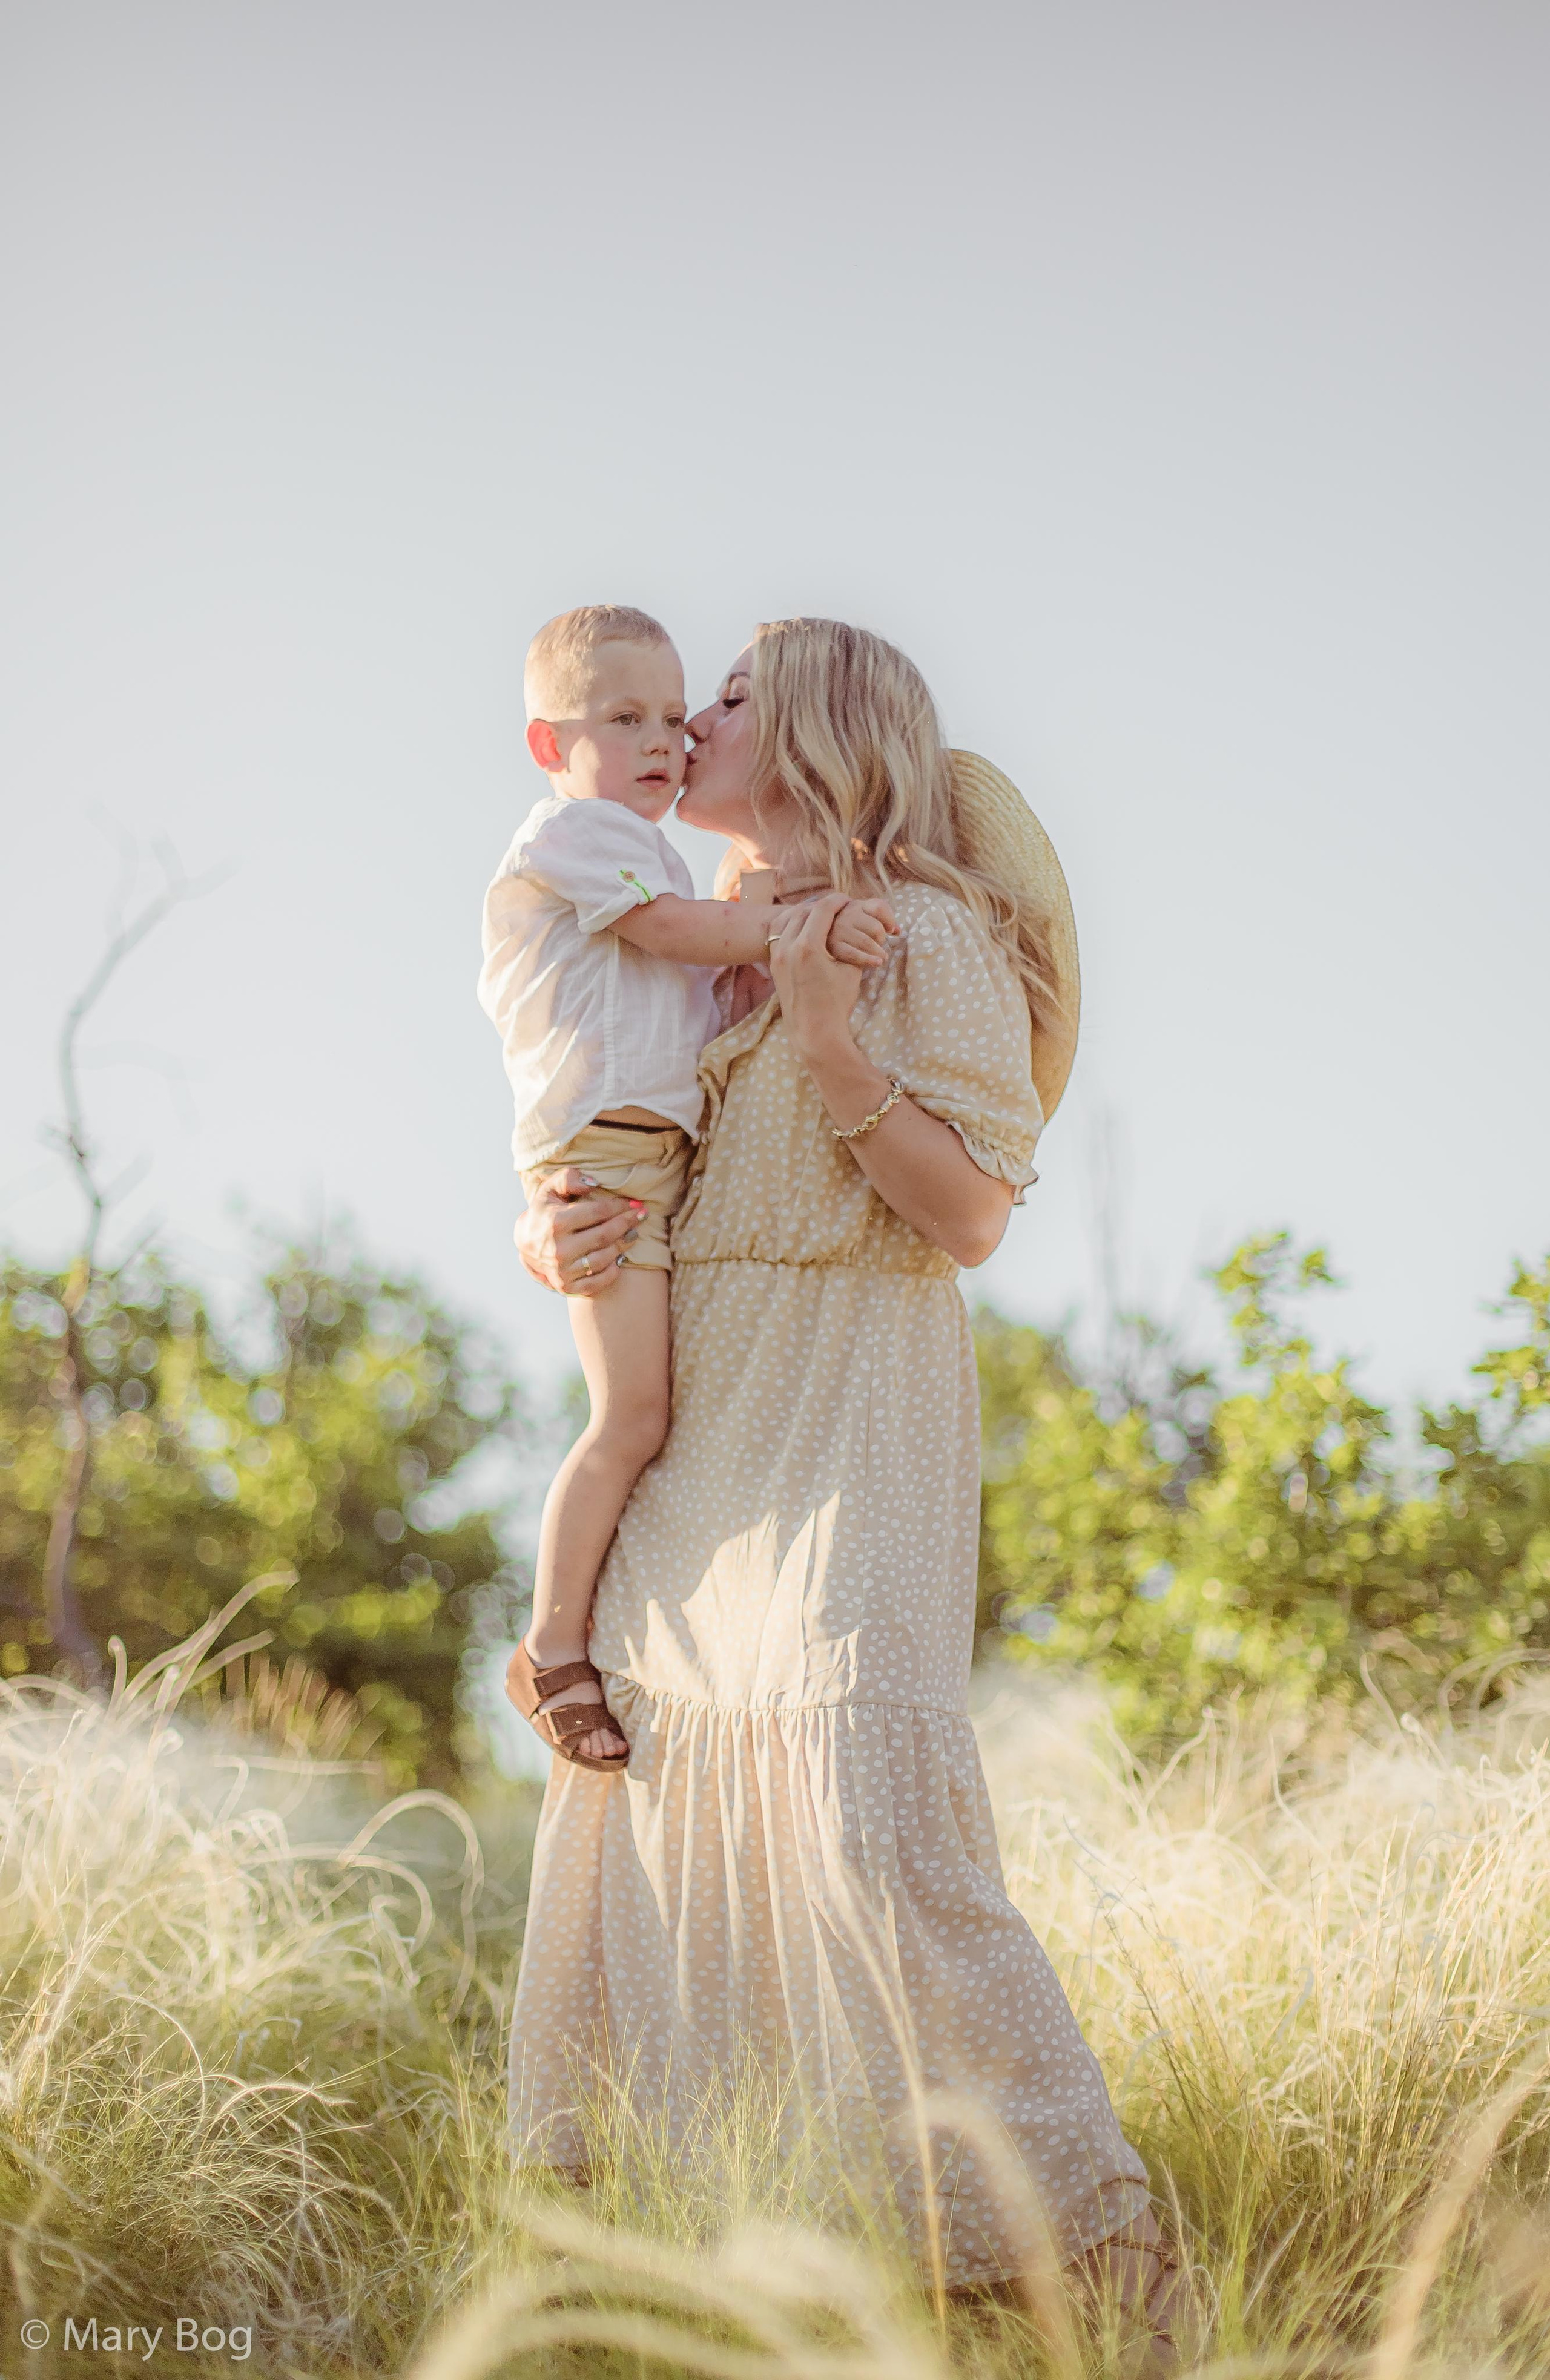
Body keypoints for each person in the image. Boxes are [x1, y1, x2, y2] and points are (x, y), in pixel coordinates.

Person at [507, 617, 1182, 2358]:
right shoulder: (693, 958)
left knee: (873, 1838)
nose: (695, 721)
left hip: (849, 1409)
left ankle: (1099, 2272)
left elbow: (964, 1216)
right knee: (669, 1854)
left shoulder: (927, 934)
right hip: (694, 1463)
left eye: (730, 694)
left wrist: (826, 1031)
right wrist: (549, 1228)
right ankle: (755, 2285)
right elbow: (610, 1140)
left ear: (813, 730)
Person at [478, 604, 895, 1769]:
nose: (667, 737)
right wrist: (798, 925)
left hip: (646, 1156)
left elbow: (701, 999)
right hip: (604, 1157)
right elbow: (675, 935)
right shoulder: (575, 839)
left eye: (674, 715)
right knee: (630, 1417)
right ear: (550, 745)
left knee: (656, 1417)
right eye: (625, 717)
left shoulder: (658, 853)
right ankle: (551, 1648)